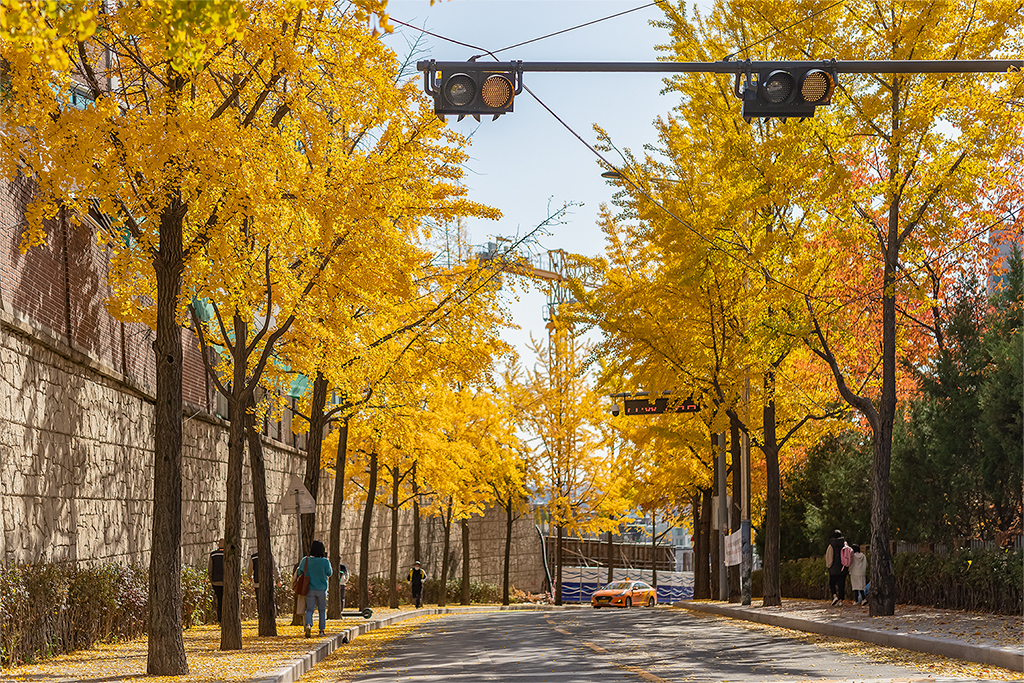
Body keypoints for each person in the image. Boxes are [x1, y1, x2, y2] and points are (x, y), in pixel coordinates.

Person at [296, 540, 332, 638]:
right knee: (322, 610)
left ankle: (308, 625)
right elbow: (330, 573)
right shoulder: (325, 561)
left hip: (309, 589)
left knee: (309, 610)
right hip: (322, 589)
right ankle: (321, 631)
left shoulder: (305, 560)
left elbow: (299, 572)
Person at [823, 529, 850, 606]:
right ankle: (841, 600)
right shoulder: (845, 544)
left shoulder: (831, 545)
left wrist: (829, 565)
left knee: (832, 583)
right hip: (843, 567)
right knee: (841, 585)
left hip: (833, 569)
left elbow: (829, 556)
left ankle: (835, 596)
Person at [209, 538, 225, 622]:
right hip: (226, 582)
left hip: (216, 581)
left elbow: (210, 568)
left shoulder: (213, 554)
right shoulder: (228, 554)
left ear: (218, 545)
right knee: (225, 600)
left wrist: (211, 579)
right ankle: (226, 618)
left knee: (219, 600)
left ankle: (220, 619)